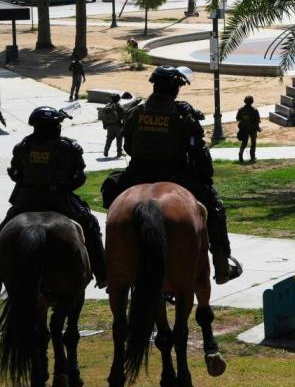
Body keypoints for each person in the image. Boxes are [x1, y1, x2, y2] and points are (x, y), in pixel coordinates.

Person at [102, 66, 243, 285]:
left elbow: (128, 145)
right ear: (176, 89)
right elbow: (198, 151)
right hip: (175, 175)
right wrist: (205, 176)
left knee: (111, 196)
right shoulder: (182, 114)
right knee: (215, 208)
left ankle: (109, 269)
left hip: (137, 174)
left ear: (154, 86)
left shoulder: (136, 112)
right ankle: (221, 264)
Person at [0, 106, 106, 300]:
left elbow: (15, 173)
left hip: (28, 199)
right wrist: (65, 185)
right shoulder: (69, 147)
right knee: (90, 224)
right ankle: (102, 273)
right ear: (55, 127)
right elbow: (79, 176)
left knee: (4, 230)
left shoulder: (23, 146)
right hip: (60, 199)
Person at [100, 92, 131, 159]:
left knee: (109, 139)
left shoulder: (108, 106)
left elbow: (104, 116)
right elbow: (124, 116)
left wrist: (105, 125)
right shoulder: (119, 106)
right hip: (118, 126)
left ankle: (106, 151)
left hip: (109, 126)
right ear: (118, 99)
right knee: (119, 139)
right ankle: (119, 153)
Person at [235, 95, 261, 164]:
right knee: (253, 142)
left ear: (245, 101)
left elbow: (237, 118)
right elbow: (258, 120)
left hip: (244, 128)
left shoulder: (241, 110)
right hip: (252, 129)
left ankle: (240, 154)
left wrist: (244, 120)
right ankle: (252, 157)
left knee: (244, 142)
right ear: (252, 102)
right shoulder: (254, 110)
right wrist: (257, 127)